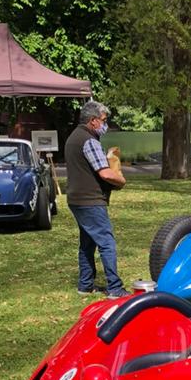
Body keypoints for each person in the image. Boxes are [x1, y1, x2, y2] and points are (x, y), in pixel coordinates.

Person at [64, 100, 127, 298]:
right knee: (106, 242)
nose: (105, 124)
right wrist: (121, 179)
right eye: (103, 120)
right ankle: (115, 288)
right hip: (89, 200)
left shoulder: (73, 137)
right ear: (93, 121)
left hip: (76, 198)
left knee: (88, 242)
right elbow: (105, 173)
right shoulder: (88, 140)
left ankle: (85, 285)